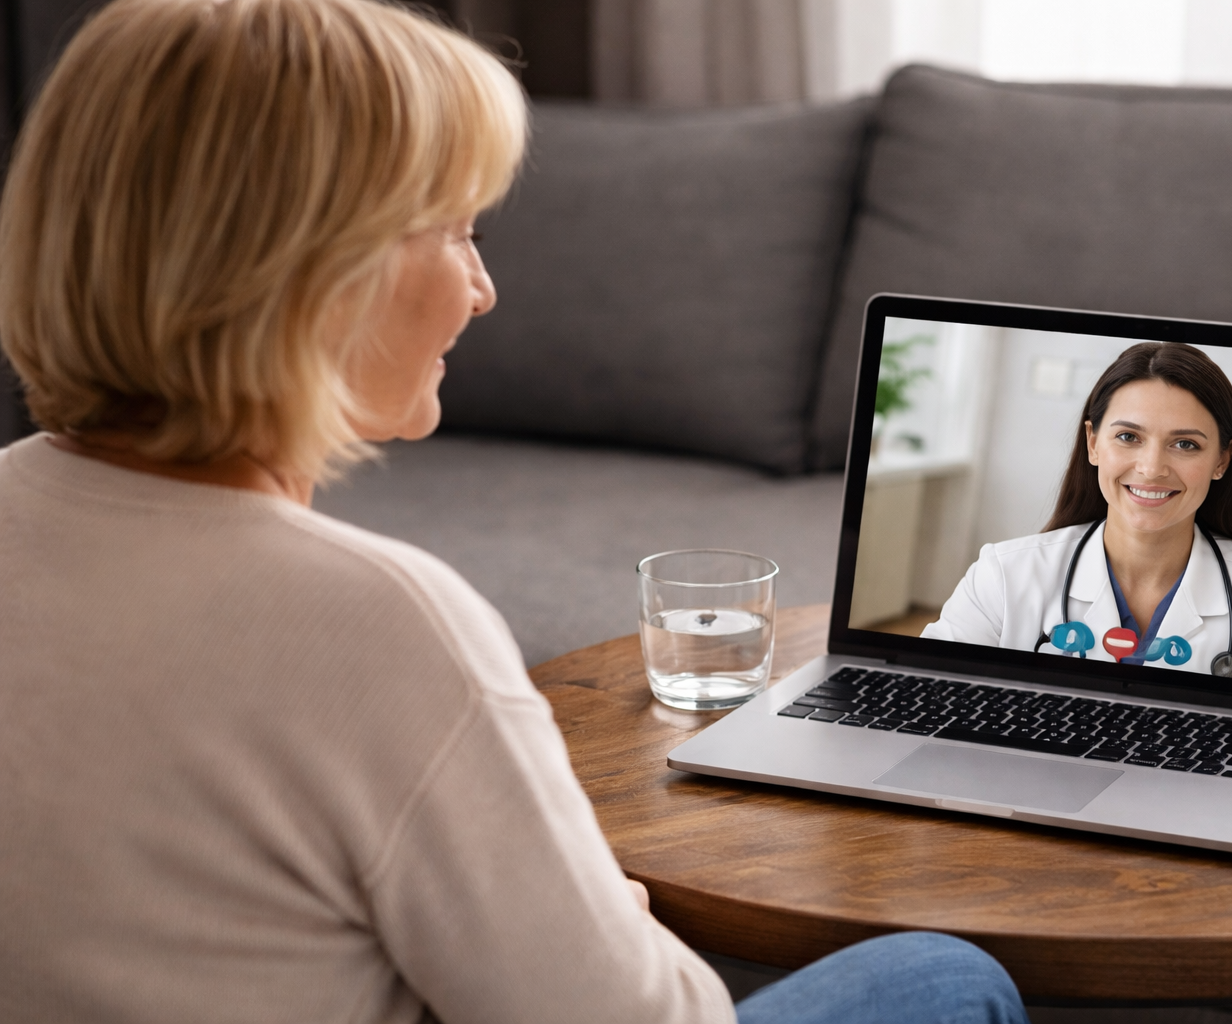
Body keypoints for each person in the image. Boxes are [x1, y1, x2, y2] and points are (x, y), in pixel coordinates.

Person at [0, 1, 1027, 1022]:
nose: (484, 289)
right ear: (320, 274)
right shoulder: (380, 623)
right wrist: (607, 913)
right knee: (946, 976)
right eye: (456, 231)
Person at [923, 342, 1232, 693]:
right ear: (1093, 443)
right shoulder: (1003, 576)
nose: (1151, 468)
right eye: (1128, 437)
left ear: (1222, 459)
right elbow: (926, 698)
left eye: (1185, 444)